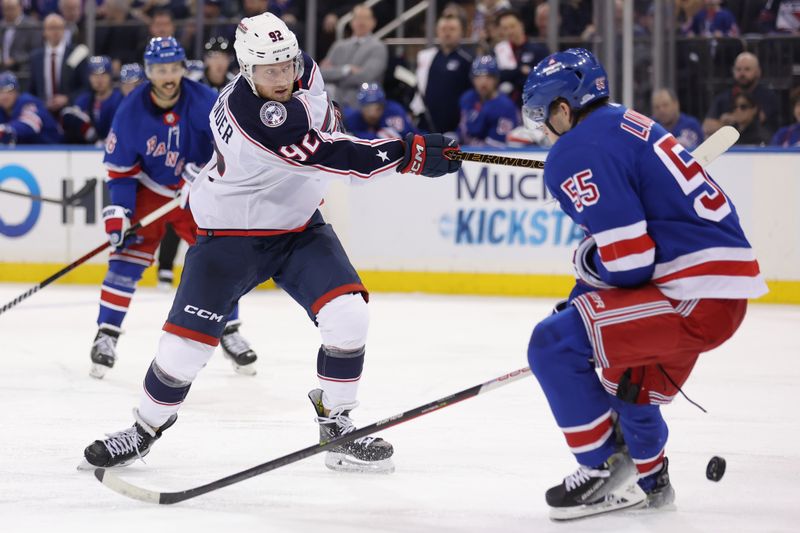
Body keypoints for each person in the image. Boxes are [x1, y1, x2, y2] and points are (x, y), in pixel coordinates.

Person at [82, 12, 460, 474]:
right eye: (269, 70)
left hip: (298, 229)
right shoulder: (258, 115)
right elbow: (339, 156)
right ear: (246, 68)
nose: (282, 77)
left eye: (287, 63)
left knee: (349, 316)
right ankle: (143, 430)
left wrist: (401, 151)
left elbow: (330, 131)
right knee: (183, 352)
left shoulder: (296, 69)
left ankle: (337, 424)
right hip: (229, 236)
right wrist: (408, 154)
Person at [521, 48, 767, 520]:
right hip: (717, 291)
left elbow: (630, 262)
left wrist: (585, 262)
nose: (544, 133)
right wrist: (583, 299)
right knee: (628, 378)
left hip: (690, 296)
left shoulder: (575, 149)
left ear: (563, 109)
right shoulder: (627, 123)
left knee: (551, 346)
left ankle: (601, 469)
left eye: (543, 118)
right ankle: (650, 482)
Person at [88, 37, 259, 380]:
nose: (168, 76)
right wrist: (120, 211)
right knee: (125, 260)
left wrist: (210, 170)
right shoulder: (130, 112)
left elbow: (234, 147)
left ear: (183, 68)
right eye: (160, 70)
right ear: (149, 72)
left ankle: (229, 329)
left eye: (173, 68)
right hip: (149, 191)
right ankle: (106, 334)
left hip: (195, 192)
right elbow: (120, 174)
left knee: (218, 258)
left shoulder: (205, 101)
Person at [410, 14, 473, 134]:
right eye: (443, 29)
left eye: (452, 29)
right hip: (426, 124)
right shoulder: (427, 58)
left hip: (454, 127)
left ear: (461, 32)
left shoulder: (467, 60)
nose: (447, 33)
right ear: (437, 32)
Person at [319, 3, 388, 108]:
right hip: (335, 104)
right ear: (351, 21)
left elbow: (366, 77)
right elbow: (322, 73)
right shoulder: (339, 46)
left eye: (365, 18)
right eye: (358, 18)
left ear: (373, 22)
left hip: (364, 106)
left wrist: (335, 76)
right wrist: (346, 70)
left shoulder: (378, 47)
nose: (361, 22)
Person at [28, 13, 90, 118]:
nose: (55, 31)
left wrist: (67, 99)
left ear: (64, 30)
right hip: (43, 112)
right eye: (51, 28)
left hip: (70, 111)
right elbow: (32, 89)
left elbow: (85, 87)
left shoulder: (77, 53)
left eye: (59, 27)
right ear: (44, 31)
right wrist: (41, 103)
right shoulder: (36, 57)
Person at [703, 52, 778, 137]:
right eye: (738, 69)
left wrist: (730, 120)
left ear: (758, 72)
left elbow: (758, 119)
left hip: (760, 143)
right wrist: (727, 124)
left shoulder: (767, 96)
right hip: (731, 144)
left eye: (747, 69)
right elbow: (707, 126)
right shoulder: (723, 97)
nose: (742, 74)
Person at [458, 55, 520, 147]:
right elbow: (462, 131)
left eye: (488, 77)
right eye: (478, 77)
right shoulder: (467, 98)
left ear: (496, 79)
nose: (483, 82)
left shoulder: (505, 107)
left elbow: (497, 146)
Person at [61, 55, 124, 145]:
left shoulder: (120, 99)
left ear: (110, 75)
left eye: (103, 74)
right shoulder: (83, 100)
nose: (99, 79)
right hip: (89, 152)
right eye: (94, 75)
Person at [0, 71, 62, 144]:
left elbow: (30, 123)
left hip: (55, 150)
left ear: (17, 92)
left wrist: (5, 129)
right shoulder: (2, 110)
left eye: (9, 92)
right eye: (1, 92)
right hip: (26, 152)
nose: (5, 96)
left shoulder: (28, 102)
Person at [344, 82, 416, 139]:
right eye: (367, 108)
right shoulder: (352, 117)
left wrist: (357, 135)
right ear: (361, 108)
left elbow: (398, 139)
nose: (372, 114)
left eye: (377, 108)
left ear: (383, 106)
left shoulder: (393, 111)